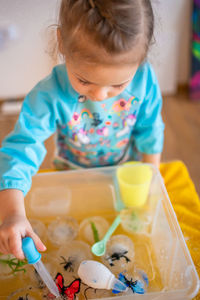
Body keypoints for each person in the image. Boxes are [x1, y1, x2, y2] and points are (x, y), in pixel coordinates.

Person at [0, 0, 164, 260]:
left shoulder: (144, 79)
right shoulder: (49, 94)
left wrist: (151, 177)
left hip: (124, 175)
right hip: (72, 175)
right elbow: (23, 146)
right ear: (62, 42)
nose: (99, 95)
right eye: (84, 80)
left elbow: (150, 129)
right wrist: (12, 213)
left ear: (141, 59)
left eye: (118, 85)